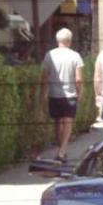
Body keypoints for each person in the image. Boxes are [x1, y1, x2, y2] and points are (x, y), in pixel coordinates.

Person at [41, 28, 84, 163]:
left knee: (58, 122)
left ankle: (61, 150)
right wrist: (79, 92)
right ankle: (62, 151)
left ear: (57, 40)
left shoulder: (49, 55)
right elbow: (78, 79)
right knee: (68, 122)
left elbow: (44, 76)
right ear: (70, 41)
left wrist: (44, 93)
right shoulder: (75, 56)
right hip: (70, 95)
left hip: (54, 94)